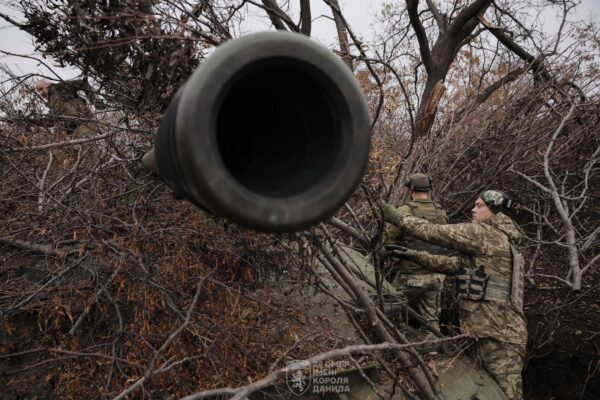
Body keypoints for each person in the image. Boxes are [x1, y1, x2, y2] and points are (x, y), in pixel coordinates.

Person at [382, 190, 527, 399]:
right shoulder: (502, 241)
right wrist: (416, 256)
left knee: (505, 395)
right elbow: (455, 265)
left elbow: (434, 232)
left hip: (499, 334)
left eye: (479, 206)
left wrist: (396, 217)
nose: (473, 209)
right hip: (491, 329)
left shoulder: (484, 235)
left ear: (494, 210)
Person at [384, 173, 449, 337]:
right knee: (432, 319)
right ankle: (433, 347)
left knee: (389, 307)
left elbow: (388, 241)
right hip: (436, 276)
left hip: (412, 277)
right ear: (429, 189)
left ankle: (391, 343)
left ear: (411, 189)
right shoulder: (441, 212)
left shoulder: (405, 211)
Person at [35, 78, 100, 135]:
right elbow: (49, 122)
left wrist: (94, 100)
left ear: (49, 85)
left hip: (87, 124)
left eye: (41, 89)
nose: (41, 93)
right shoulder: (53, 105)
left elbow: (82, 82)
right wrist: (30, 120)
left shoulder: (60, 88)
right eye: (38, 91)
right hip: (74, 133)